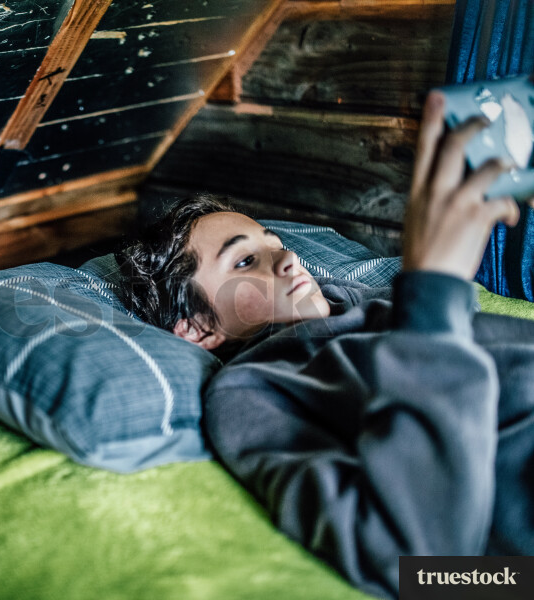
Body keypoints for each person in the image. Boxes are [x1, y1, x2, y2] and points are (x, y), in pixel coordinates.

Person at [117, 91, 534, 599]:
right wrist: (434, 287)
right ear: (201, 329)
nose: (290, 257)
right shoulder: (254, 390)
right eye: (244, 262)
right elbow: (429, 569)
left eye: (273, 242)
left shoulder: (375, 305)